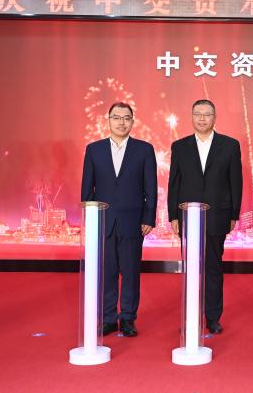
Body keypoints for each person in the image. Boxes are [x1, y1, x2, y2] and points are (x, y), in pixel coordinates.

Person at [81, 102, 157, 337]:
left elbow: (150, 188)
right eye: (116, 117)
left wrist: (149, 217)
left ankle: (127, 318)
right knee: (107, 272)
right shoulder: (94, 150)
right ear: (108, 120)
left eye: (126, 118)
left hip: (133, 221)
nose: (121, 122)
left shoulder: (144, 150)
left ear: (132, 121)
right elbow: (87, 190)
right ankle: (108, 318)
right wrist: (90, 220)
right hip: (103, 222)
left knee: (131, 272)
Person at [168, 99, 242, 335]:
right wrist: (173, 215)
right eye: (197, 114)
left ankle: (213, 316)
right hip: (187, 216)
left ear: (214, 118)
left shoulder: (230, 145)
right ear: (191, 117)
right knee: (191, 268)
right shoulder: (180, 146)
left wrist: (233, 213)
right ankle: (191, 315)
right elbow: (174, 183)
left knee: (213, 269)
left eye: (207, 114)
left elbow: (236, 182)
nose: (202, 118)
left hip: (217, 215)